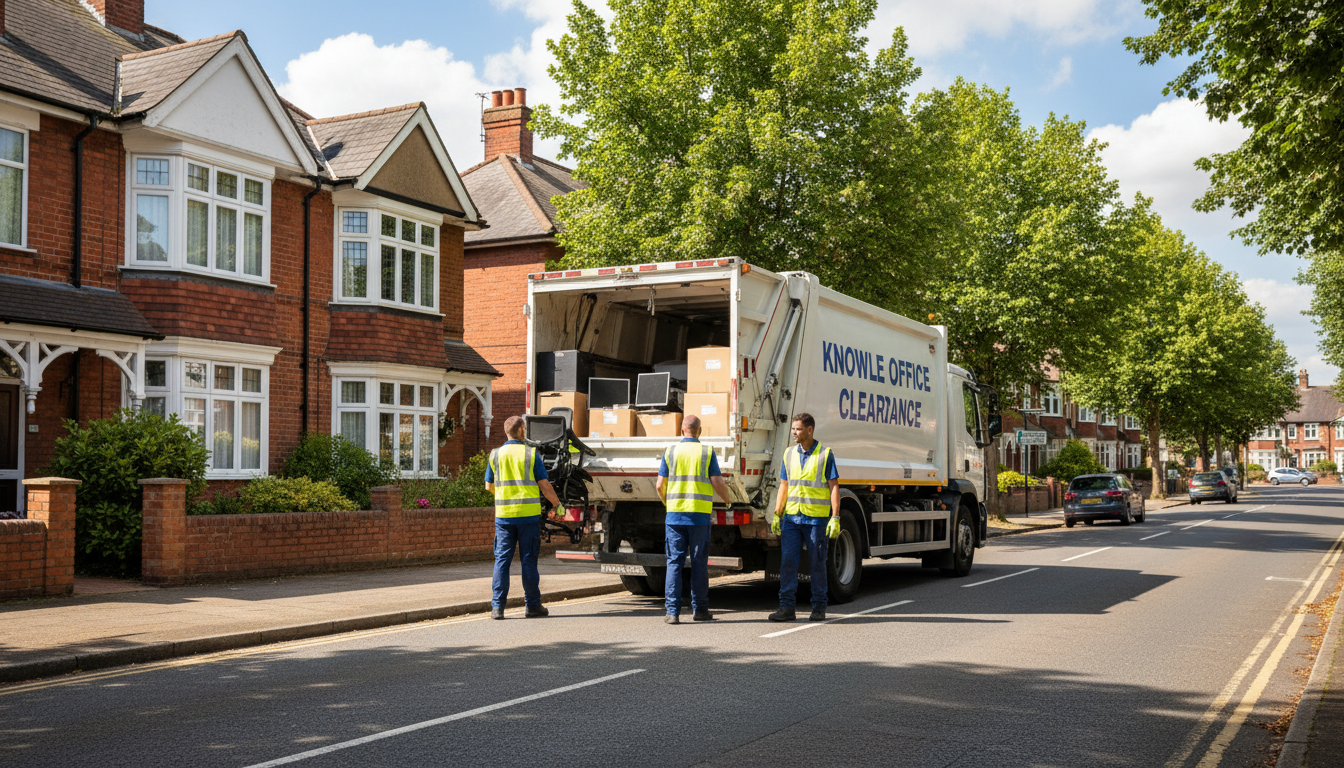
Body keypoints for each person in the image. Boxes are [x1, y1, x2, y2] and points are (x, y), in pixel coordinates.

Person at [655, 414, 733, 624]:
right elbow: (717, 481)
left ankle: (672, 613)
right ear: (700, 431)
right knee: (699, 563)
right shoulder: (706, 452)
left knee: (674, 563)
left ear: (682, 430)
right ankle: (700, 610)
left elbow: (659, 486)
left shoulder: (670, 451)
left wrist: (667, 504)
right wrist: (728, 501)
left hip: (674, 516)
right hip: (699, 517)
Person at [484, 415, 561, 620]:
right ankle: (533, 606)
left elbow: (488, 486)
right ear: (520, 431)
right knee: (528, 561)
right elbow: (544, 485)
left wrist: (504, 499)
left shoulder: (495, 455)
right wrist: (557, 504)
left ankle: (497, 608)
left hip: (504, 518)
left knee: (502, 561)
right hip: (528, 518)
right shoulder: (530, 454)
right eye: (524, 430)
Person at [768, 413, 841, 622]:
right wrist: (777, 512)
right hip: (791, 518)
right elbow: (784, 484)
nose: (794, 433)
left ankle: (819, 607)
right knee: (788, 563)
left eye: (798, 429)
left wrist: (835, 517)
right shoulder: (789, 453)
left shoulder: (825, 454)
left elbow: (833, 486)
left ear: (810, 430)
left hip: (816, 519)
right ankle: (786, 607)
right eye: (793, 429)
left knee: (817, 563)